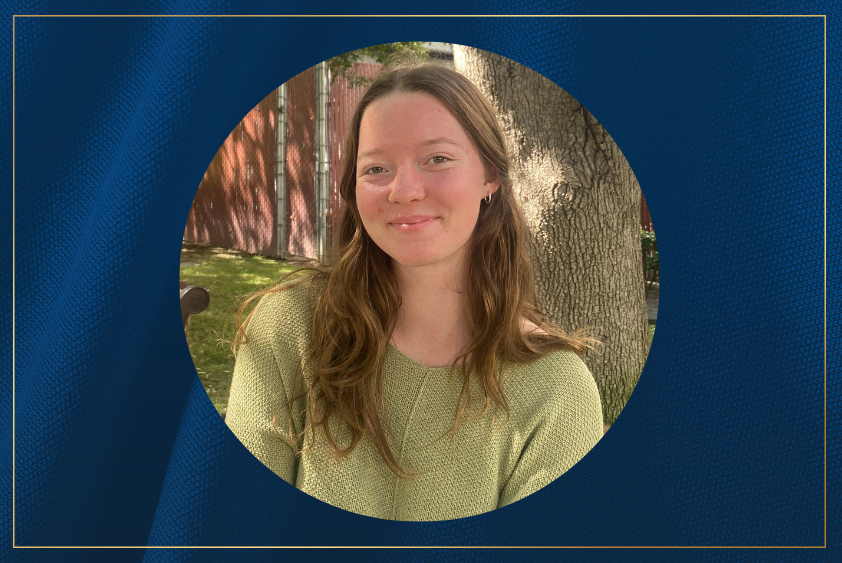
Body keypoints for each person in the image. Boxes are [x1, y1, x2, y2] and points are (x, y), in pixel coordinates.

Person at [225, 59, 603, 521]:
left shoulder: (557, 391)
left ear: (489, 177)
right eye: (376, 168)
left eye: (437, 159)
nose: (403, 190)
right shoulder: (288, 326)